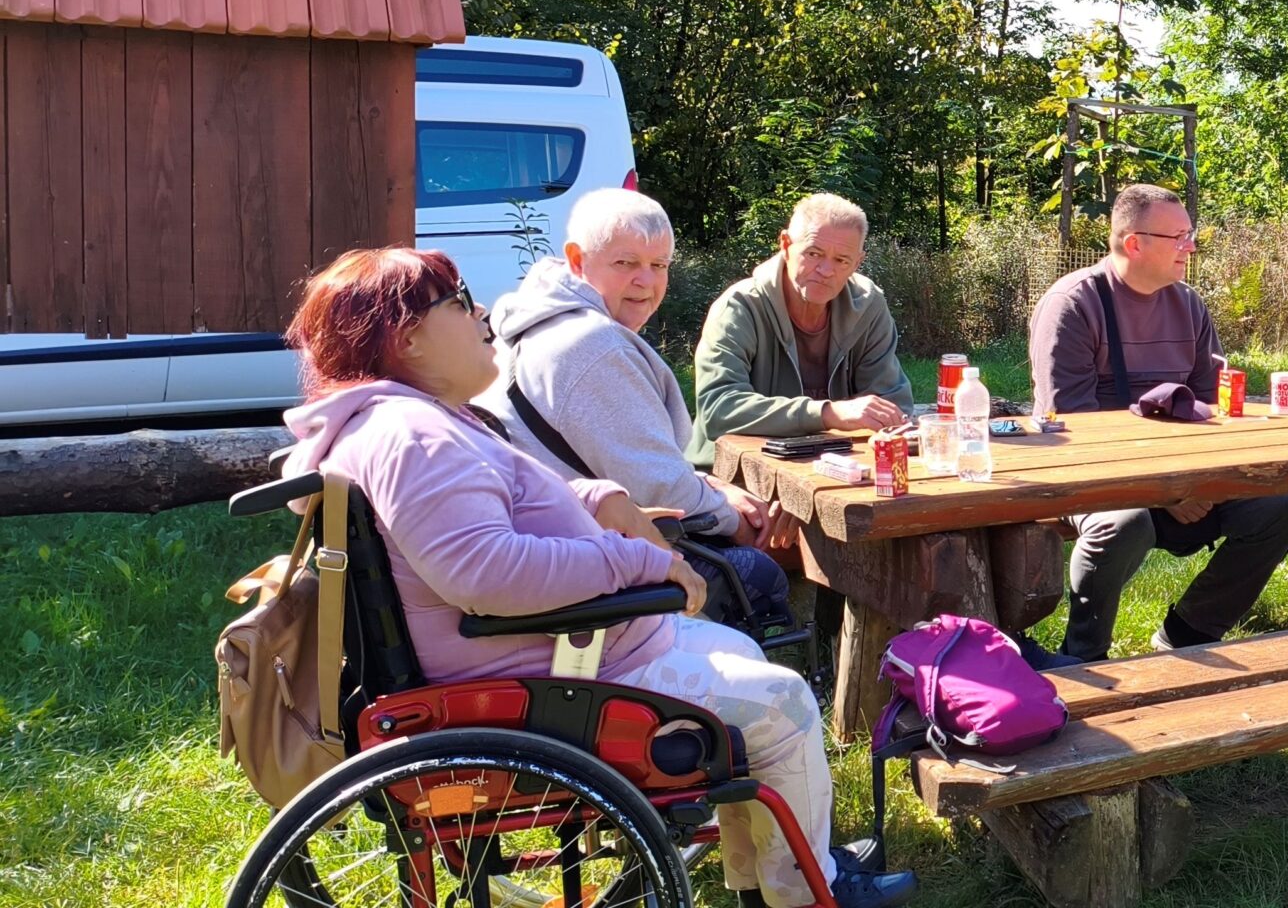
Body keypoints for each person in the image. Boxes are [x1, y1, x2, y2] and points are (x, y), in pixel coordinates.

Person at [278, 247, 914, 908]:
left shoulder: (418, 423)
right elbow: (487, 572)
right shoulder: (415, 438)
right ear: (407, 337)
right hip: (538, 680)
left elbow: (503, 508)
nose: (482, 314)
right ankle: (808, 894)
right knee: (782, 705)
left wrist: (596, 498)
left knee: (744, 655)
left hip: (549, 657)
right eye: (460, 304)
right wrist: (639, 561)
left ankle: (765, 882)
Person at [475, 188, 793, 630]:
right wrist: (735, 522)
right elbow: (661, 489)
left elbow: (634, 462)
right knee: (758, 571)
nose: (646, 281)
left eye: (659, 265)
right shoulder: (592, 347)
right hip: (579, 563)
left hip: (551, 532)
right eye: (626, 263)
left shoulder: (539, 320)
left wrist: (713, 488)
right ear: (576, 259)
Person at [1030, 185, 1288, 661]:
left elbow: (1212, 406)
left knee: (1282, 508)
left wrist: (1202, 478)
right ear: (1133, 243)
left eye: (1189, 234)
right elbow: (1074, 427)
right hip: (1092, 477)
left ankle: (1190, 633)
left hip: (1182, 476)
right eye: (1177, 237)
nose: (1191, 247)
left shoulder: (1189, 304)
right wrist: (1165, 490)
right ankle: (1082, 657)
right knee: (1124, 524)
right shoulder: (1073, 305)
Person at [686, 193, 913, 469]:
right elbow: (718, 410)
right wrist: (827, 413)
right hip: (731, 477)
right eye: (814, 253)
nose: (826, 270)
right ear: (785, 245)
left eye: (842, 260)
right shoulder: (740, 307)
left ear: (857, 263)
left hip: (837, 468)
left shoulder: (868, 305)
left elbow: (892, 402)